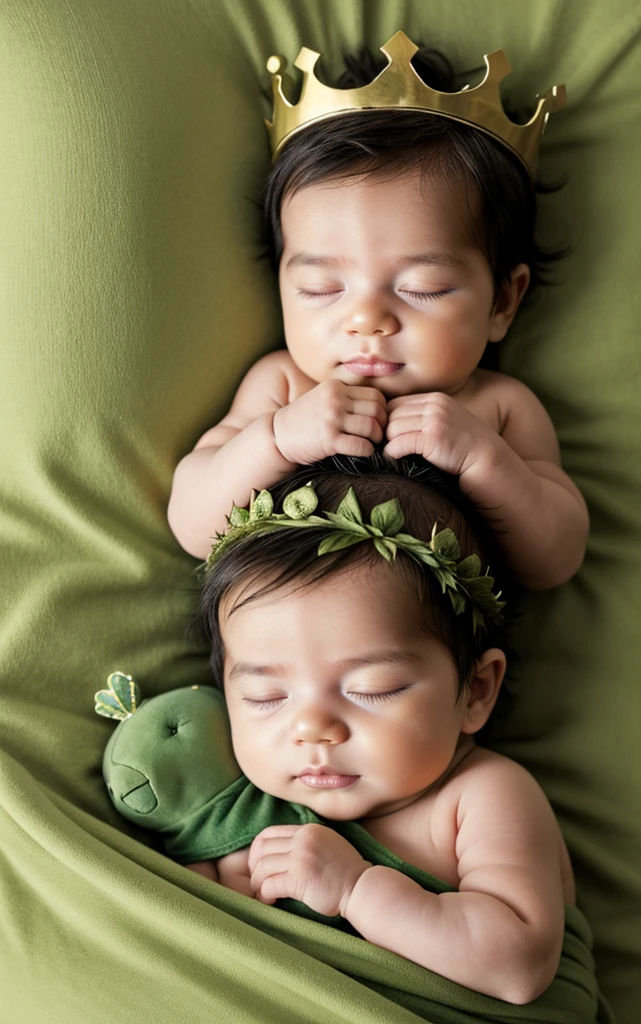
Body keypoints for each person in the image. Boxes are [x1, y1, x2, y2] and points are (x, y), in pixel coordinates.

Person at [167, 33, 589, 590]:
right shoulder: (284, 388)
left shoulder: (497, 409)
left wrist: (483, 460)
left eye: (424, 287)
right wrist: (277, 440)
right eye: (320, 287)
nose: (366, 320)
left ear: (503, 302)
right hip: (277, 658)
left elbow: (553, 562)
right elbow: (192, 524)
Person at [184, 455, 576, 1004]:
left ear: (476, 690)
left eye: (372, 689)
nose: (312, 728)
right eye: (265, 697)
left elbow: (519, 965)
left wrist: (354, 889)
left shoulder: (482, 798)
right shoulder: (242, 807)